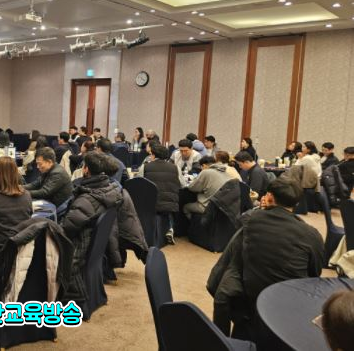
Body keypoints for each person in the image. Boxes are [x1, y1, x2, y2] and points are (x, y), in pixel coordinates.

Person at [207, 176, 324, 338]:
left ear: (269, 197)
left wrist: (262, 209)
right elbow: (315, 274)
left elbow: (235, 250)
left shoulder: (250, 220)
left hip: (251, 303)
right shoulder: (312, 235)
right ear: (297, 203)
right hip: (291, 307)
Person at [61, 151, 124, 305]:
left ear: (86, 169)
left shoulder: (86, 199)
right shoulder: (111, 189)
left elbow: (66, 229)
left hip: (79, 247)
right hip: (95, 246)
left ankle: (75, 298)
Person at [137, 144, 184, 244]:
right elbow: (182, 185)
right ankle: (170, 228)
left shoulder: (145, 167)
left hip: (150, 203)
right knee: (168, 209)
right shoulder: (176, 168)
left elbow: (139, 183)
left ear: (153, 155)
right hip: (170, 203)